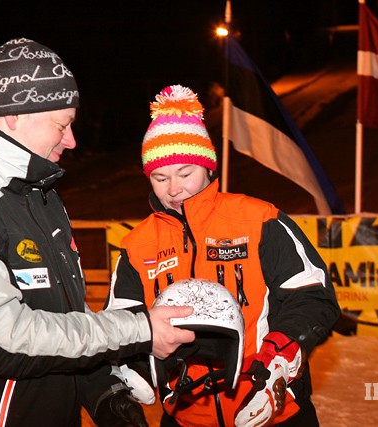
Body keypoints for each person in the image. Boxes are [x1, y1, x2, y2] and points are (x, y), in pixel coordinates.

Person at [0, 38, 195, 427]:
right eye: (62, 124)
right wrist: (140, 329)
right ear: (15, 115)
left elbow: (64, 316)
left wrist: (102, 391)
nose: (71, 140)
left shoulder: (39, 193)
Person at [104, 85, 341, 426]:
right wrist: (137, 367)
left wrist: (279, 353)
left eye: (185, 173)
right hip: (184, 417)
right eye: (160, 177)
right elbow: (123, 323)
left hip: (271, 410)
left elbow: (313, 297)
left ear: (208, 168)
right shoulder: (136, 245)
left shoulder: (259, 220)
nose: (174, 189)